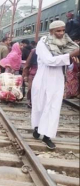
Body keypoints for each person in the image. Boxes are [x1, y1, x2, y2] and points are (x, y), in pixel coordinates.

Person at [31, 20, 80, 149]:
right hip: (43, 79)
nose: (61, 33)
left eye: (63, 30)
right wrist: (71, 55)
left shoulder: (65, 43)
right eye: (58, 31)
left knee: (53, 107)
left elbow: (66, 62)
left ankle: (47, 136)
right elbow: (49, 61)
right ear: (51, 31)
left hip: (57, 80)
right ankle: (37, 128)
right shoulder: (43, 44)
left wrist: (71, 58)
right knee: (40, 105)